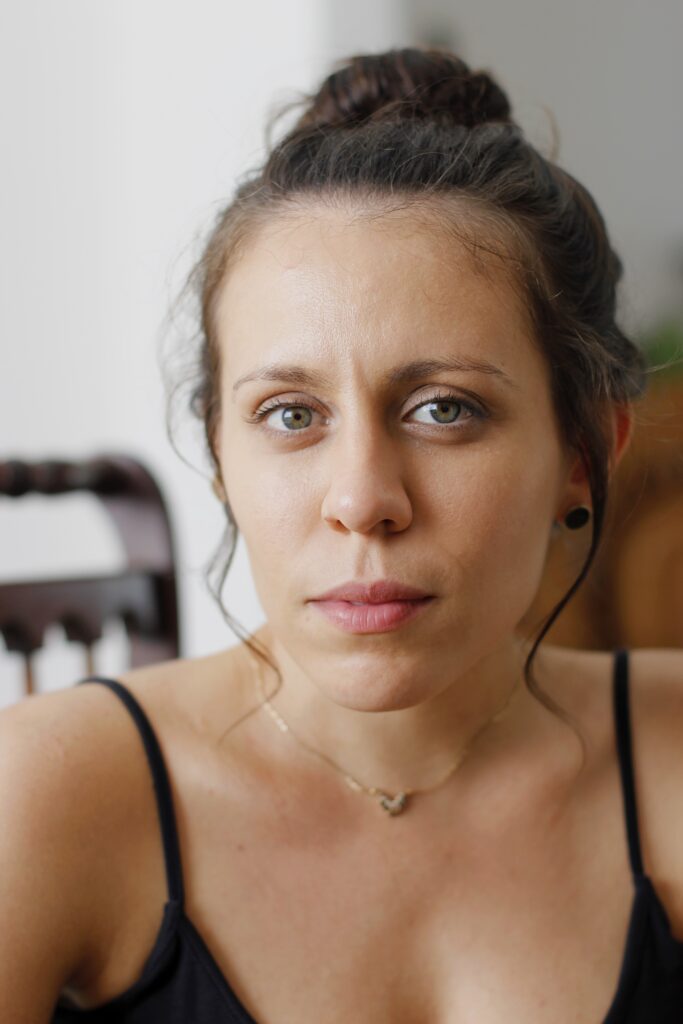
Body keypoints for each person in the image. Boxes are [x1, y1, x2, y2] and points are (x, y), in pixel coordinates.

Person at [1, 46, 682, 1024]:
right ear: (219, 455)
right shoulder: (45, 788)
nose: (362, 500)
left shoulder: (667, 754)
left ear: (582, 452)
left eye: (443, 408)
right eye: (290, 414)